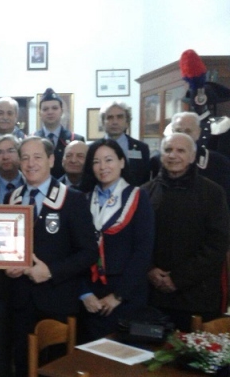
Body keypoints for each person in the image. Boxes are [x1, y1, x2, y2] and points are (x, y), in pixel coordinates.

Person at [4, 136, 97, 377]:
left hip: (58, 299)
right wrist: (6, 264)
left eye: (37, 157)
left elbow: (89, 252)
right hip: (19, 299)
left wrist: (52, 271)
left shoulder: (73, 199)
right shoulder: (12, 198)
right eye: (24, 157)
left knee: (56, 369)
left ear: (52, 160)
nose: (30, 163)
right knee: (23, 365)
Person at [142, 133, 230, 331]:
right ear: (161, 155)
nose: (173, 155)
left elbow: (217, 244)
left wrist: (178, 278)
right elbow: (137, 241)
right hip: (154, 295)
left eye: (180, 150)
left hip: (197, 296)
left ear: (192, 157)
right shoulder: (145, 192)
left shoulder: (213, 193)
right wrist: (150, 269)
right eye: (168, 150)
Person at [77, 139, 154, 341]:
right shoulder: (83, 200)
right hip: (90, 293)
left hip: (127, 294)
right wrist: (84, 293)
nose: (103, 167)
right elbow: (74, 250)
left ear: (122, 162)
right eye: (96, 162)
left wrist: (118, 296)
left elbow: (143, 251)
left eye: (109, 160)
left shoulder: (138, 197)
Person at [0, 134, 24, 377]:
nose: (6, 155)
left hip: (28, 277)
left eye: (11, 150)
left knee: (24, 343)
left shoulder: (32, 185)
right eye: (0, 152)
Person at [150, 112, 230, 208]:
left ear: (198, 132)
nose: (183, 135)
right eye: (178, 130)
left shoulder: (219, 162)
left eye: (188, 131)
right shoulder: (157, 161)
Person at [33, 88, 85, 179]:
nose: (50, 112)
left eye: (54, 108)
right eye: (45, 109)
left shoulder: (76, 140)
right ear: (39, 113)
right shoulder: (31, 140)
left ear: (61, 111)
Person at [99, 101, 150, 186]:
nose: (115, 122)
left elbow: (145, 180)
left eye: (120, 117)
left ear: (127, 122)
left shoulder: (141, 148)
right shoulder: (93, 148)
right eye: (110, 117)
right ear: (103, 122)